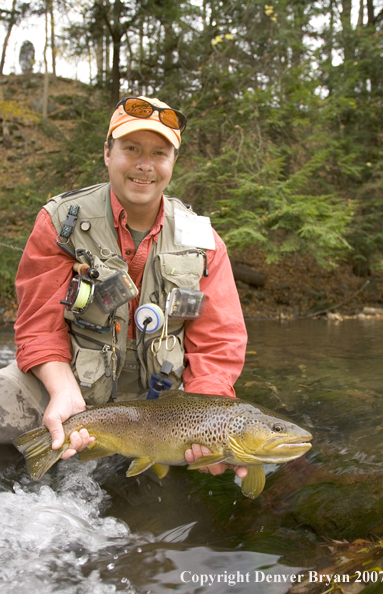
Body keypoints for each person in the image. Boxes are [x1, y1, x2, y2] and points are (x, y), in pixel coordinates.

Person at [0, 96, 248, 478]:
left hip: (164, 411)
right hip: (71, 385)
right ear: (107, 152)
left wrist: (210, 419)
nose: (144, 165)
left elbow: (218, 343)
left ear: (173, 163)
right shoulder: (61, 222)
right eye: (131, 149)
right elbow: (37, 326)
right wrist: (62, 389)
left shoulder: (204, 241)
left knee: (156, 523)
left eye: (159, 153)